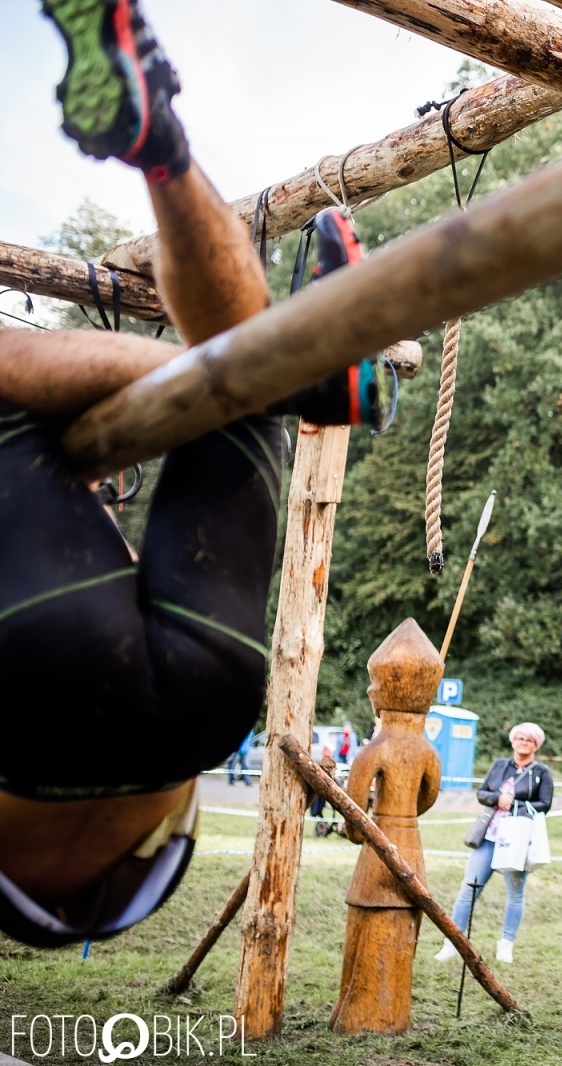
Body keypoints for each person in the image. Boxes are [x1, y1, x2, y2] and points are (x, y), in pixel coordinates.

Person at [0, 1, 392, 949]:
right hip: (33, 688)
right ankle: (283, 363)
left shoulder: (77, 905)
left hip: (195, 714)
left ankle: (162, 145)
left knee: (243, 390)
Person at [435, 723, 552, 965]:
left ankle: (506, 945)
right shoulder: (500, 765)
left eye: (529, 740)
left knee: (515, 894)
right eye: (520, 738)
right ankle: (452, 943)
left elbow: (545, 804)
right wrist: (498, 798)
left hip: (518, 839)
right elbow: (482, 793)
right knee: (469, 888)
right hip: (489, 836)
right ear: (512, 741)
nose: (523, 743)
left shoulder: (542, 771)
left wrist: (517, 805)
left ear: (536, 745)